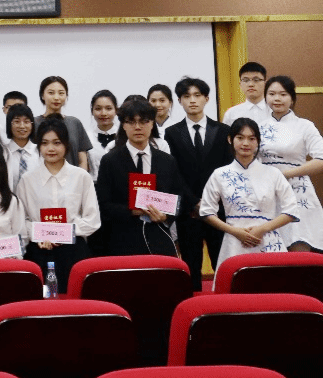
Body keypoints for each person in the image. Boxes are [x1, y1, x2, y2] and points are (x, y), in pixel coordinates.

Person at [94, 97, 191, 256]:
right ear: (123, 125)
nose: (138, 127)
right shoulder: (110, 161)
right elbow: (103, 204)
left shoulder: (167, 161)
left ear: (152, 123)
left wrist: (165, 216)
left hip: (158, 238)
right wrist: (132, 211)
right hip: (122, 241)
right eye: (131, 122)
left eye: (144, 121)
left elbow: (178, 197)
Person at [200, 117, 300, 269]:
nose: (245, 143)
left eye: (251, 138)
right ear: (230, 139)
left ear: (258, 141)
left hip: (269, 241)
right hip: (234, 242)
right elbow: (206, 211)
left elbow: (291, 209)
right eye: (240, 138)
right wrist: (235, 231)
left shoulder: (273, 173)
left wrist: (262, 229)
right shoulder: (219, 174)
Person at [164, 76, 233, 290]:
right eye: (186, 96)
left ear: (207, 98)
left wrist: (211, 202)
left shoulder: (223, 130)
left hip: (218, 209)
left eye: (197, 95)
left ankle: (226, 303)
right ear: (179, 101)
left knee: (221, 262)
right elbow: (174, 173)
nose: (192, 100)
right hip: (188, 210)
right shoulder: (171, 133)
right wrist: (194, 202)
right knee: (191, 264)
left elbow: (227, 169)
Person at [17, 118, 101, 292]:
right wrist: (39, 235)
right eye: (45, 143)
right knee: (46, 298)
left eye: (57, 143)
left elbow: (93, 220)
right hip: (40, 250)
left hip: (74, 250)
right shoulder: (27, 180)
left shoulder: (81, 177)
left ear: (66, 145)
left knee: (76, 298)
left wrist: (64, 233)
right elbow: (21, 221)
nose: (51, 148)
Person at [255, 75, 323, 251]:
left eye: (283, 94)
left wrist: (284, 174)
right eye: (272, 94)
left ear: (292, 98)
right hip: (267, 190)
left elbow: (321, 159)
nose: (277, 98)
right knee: (269, 246)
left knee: (298, 244)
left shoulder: (304, 126)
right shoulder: (258, 127)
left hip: (296, 189)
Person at [38, 76, 93, 171]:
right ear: (42, 95)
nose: (56, 97)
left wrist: (81, 178)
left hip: (73, 178)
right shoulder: (35, 123)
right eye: (51, 93)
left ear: (66, 95)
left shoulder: (74, 123)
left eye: (61, 93)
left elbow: (82, 159)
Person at [4, 104, 39, 190]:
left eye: (26, 122)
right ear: (9, 124)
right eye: (17, 121)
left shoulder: (40, 152)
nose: (22, 126)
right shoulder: (2, 153)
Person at [88, 90, 120, 177]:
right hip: (93, 184)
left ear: (116, 110)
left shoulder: (125, 136)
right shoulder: (86, 137)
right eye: (98, 109)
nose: (103, 113)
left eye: (108, 108)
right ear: (92, 111)